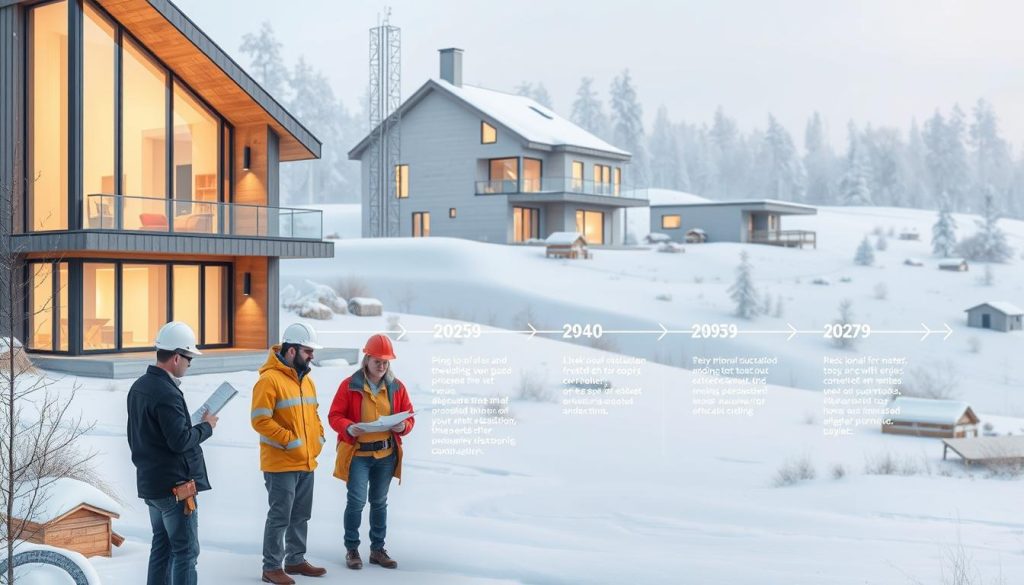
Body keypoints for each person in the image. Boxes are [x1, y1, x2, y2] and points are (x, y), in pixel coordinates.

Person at [127, 321, 215, 585]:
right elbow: (179, 441)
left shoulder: (139, 387)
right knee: (185, 552)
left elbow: (141, 438)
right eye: (189, 358)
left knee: (162, 547)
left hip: (151, 485)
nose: (189, 364)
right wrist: (206, 427)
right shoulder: (166, 393)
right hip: (174, 488)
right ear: (177, 357)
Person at [328, 333, 414, 570]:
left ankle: (377, 550)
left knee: (379, 502)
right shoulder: (349, 385)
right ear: (366, 359)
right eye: (378, 361)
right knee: (356, 502)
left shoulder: (397, 387)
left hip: (386, 457)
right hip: (359, 456)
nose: (382, 366)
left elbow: (409, 415)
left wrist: (403, 425)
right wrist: (348, 427)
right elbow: (334, 416)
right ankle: (352, 549)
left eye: (386, 362)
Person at [251, 322, 329, 584]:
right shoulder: (268, 380)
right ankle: (271, 567)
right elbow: (259, 420)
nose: (312, 356)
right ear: (292, 350)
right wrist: (289, 440)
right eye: (308, 351)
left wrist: (318, 438)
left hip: (307, 461)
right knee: (280, 516)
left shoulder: (307, 382)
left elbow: (314, 414)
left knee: (300, 514)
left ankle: (295, 560)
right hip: (280, 463)